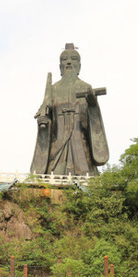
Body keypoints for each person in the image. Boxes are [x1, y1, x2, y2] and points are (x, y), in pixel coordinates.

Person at [30, 44, 109, 177]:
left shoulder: (86, 87)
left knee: (86, 175)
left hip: (80, 143)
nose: (68, 62)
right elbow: (47, 118)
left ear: (79, 65)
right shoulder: (53, 90)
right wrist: (44, 123)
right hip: (58, 144)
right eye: (64, 59)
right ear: (60, 66)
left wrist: (92, 106)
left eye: (73, 58)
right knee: (54, 176)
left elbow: (94, 123)